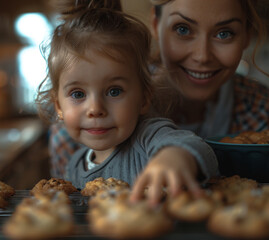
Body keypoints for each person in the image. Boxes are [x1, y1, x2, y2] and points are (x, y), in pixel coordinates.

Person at [48, 0, 269, 183]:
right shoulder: (76, 130)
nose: (202, 56)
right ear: (155, 24)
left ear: (247, 35)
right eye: (183, 29)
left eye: (224, 34)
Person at [37, 0, 218, 205]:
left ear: (143, 98)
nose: (96, 109)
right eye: (78, 94)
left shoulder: (149, 137)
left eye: (114, 91)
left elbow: (195, 146)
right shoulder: (73, 167)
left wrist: (174, 157)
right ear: (59, 106)